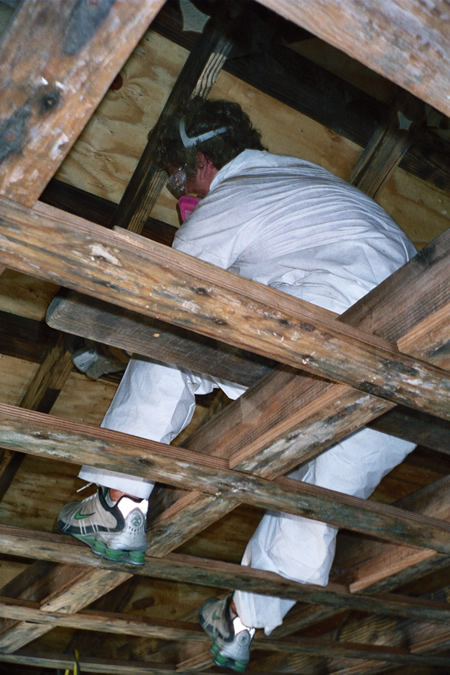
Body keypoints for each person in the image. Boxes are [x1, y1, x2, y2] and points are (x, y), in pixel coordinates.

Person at [58, 97, 417, 672]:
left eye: (178, 176)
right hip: (397, 399)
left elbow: (169, 294)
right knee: (317, 501)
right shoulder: (312, 185)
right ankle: (242, 622)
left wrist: (105, 344)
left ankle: (118, 500)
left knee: (167, 330)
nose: (181, 191)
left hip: (321, 340)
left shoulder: (235, 193)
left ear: (202, 161)